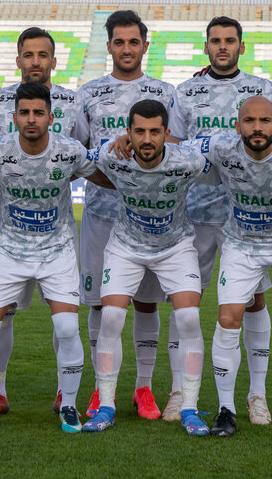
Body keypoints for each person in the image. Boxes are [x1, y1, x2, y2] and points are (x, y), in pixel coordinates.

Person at [168, 15, 272, 425]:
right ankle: (179, 391)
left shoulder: (264, 90)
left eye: (229, 40)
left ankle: (257, 395)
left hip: (248, 220)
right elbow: (170, 149)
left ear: (242, 46)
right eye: (215, 41)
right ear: (206, 46)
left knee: (254, 301)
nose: (222, 46)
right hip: (193, 214)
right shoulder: (185, 92)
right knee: (185, 302)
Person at [183, 96, 272, 441]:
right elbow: (171, 149)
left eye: (265, 121)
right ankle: (226, 410)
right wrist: (128, 141)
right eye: (249, 121)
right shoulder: (221, 147)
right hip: (241, 244)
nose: (257, 127)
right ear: (237, 126)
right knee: (228, 317)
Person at [0, 82, 103, 434]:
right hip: (9, 249)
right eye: (24, 113)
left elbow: (106, 176)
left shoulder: (69, 150)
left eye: (38, 113)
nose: (31, 119)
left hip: (56, 249)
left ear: (51, 118)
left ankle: (68, 406)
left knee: (67, 327)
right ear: (13, 117)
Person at [82, 99, 212, 436]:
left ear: (167, 133)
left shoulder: (189, 160)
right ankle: (106, 405)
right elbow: (78, 160)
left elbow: (225, 158)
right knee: (111, 316)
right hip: (126, 245)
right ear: (128, 132)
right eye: (139, 131)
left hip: (175, 246)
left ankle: (190, 408)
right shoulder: (112, 154)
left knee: (189, 317)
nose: (147, 139)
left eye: (155, 132)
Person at [75, 10, 174, 420]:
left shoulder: (166, 93)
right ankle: (102, 389)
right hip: (102, 214)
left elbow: (178, 144)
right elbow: (78, 154)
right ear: (109, 46)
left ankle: (143, 388)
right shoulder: (88, 93)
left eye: (134, 42)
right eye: (119, 42)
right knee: (101, 305)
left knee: (147, 304)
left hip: (150, 220)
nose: (127, 49)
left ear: (145, 46)